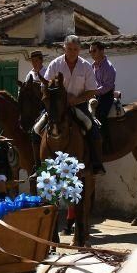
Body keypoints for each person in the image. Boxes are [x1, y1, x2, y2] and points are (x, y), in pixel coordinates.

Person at [45, 35, 105, 175]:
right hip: (57, 107)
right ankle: (36, 165)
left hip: (79, 105)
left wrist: (76, 100)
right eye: (69, 49)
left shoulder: (86, 67)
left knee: (92, 127)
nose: (72, 52)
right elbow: (46, 85)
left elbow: (92, 91)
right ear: (64, 48)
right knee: (36, 128)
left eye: (75, 49)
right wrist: (62, 98)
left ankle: (96, 163)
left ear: (79, 50)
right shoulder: (55, 64)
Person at [88, 41, 117, 127]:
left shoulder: (108, 67)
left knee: (100, 116)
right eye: (90, 51)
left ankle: (105, 139)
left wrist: (94, 92)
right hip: (96, 94)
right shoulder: (92, 66)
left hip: (106, 96)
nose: (91, 53)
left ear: (102, 51)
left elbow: (107, 87)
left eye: (94, 51)